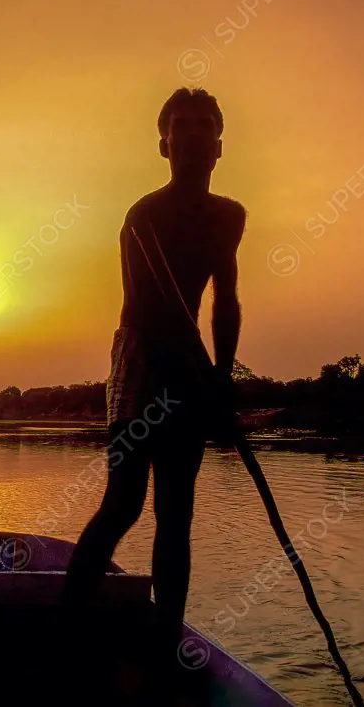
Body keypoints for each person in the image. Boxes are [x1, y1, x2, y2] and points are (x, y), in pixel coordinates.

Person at [62, 87, 247, 670]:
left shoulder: (229, 216)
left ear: (220, 145)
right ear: (162, 144)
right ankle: (66, 625)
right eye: (181, 127)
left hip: (194, 364)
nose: (193, 135)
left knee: (178, 512)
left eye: (204, 127)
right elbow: (149, 310)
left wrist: (222, 376)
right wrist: (201, 382)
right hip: (143, 358)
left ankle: (166, 640)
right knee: (124, 504)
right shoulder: (143, 216)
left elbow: (225, 299)